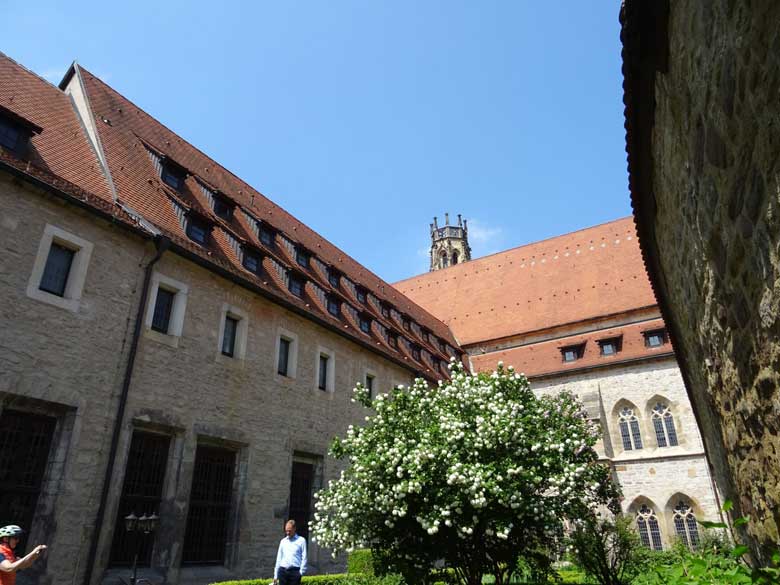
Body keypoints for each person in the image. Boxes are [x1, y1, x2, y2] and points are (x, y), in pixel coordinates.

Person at [273, 519, 307, 585]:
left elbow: (304, 557)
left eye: (289, 531)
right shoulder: (283, 541)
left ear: (294, 529)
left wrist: (301, 572)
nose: (287, 533)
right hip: (283, 571)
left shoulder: (301, 541)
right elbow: (279, 558)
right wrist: (275, 575)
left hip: (295, 572)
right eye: (286, 531)